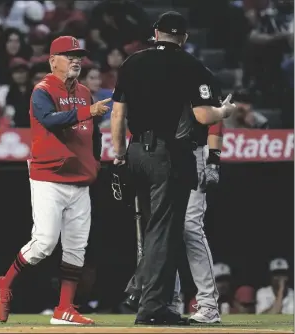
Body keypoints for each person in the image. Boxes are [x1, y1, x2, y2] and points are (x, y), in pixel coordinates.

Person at [110, 11, 236, 326]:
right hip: (174, 156)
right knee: (162, 232)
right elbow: (210, 115)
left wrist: (213, 157)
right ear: (185, 37)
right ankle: (164, 300)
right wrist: (227, 111)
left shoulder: (132, 63)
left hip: (153, 151)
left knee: (175, 229)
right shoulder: (193, 67)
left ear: (155, 33)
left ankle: (198, 302)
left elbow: (117, 115)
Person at [0, 36, 111, 325]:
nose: (76, 60)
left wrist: (96, 160)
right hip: (49, 176)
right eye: (69, 55)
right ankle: (2, 284)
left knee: (76, 247)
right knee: (43, 243)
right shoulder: (42, 90)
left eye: (78, 55)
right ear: (53, 60)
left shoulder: (83, 91)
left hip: (80, 180)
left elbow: (94, 133)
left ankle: (65, 308)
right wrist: (86, 112)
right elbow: (49, 120)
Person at [123, 121, 224, 324]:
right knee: (166, 229)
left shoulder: (192, 87)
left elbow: (213, 117)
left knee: (190, 227)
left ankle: (208, 304)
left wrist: (214, 159)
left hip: (193, 150)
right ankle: (168, 302)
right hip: (163, 153)